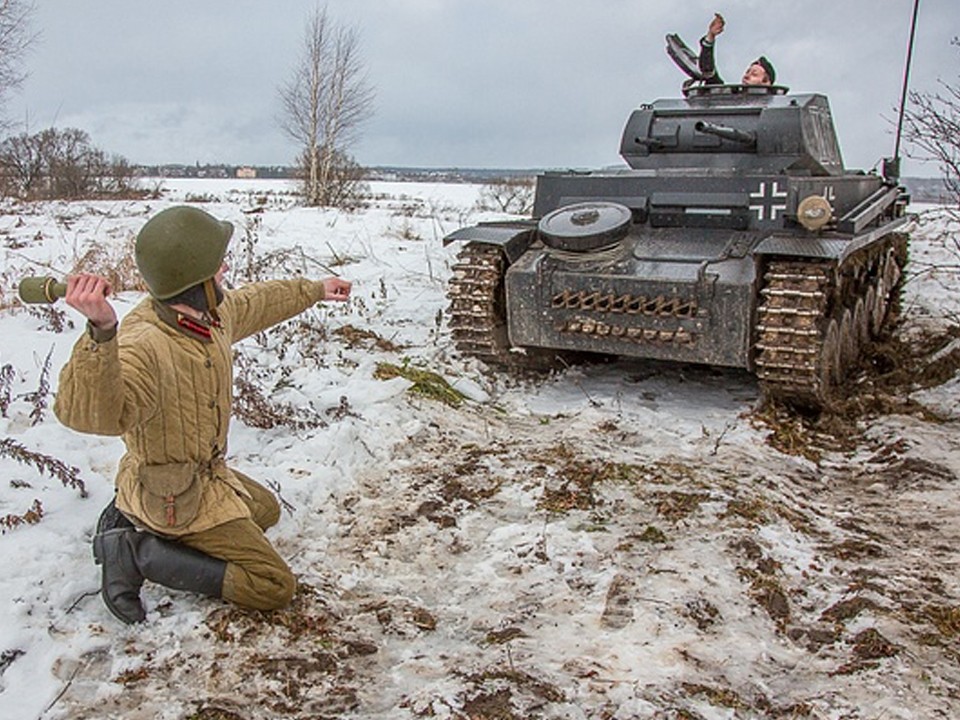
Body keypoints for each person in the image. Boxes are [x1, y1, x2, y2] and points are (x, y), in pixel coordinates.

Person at [54, 205, 352, 624]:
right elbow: (92, 416)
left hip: (202, 475)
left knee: (265, 509)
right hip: (173, 493)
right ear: (194, 282)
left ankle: (129, 514)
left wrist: (315, 290)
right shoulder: (145, 344)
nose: (225, 269)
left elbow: (256, 302)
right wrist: (102, 331)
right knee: (271, 584)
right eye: (217, 267)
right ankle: (136, 553)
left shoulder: (209, 314)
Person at [698, 13, 776, 86]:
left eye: (754, 74)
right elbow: (709, 73)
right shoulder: (730, 98)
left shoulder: (778, 100)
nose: (746, 76)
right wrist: (711, 36)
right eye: (747, 72)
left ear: (766, 82)